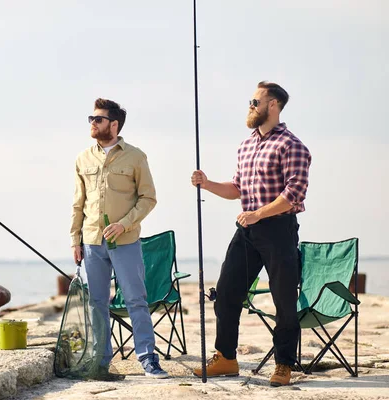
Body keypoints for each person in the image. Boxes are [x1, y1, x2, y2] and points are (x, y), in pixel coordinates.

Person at [191, 81, 312, 387]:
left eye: (255, 101)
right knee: (226, 293)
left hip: (278, 231)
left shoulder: (292, 145)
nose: (250, 105)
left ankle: (284, 364)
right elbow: (237, 189)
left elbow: (294, 194)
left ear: (273, 105)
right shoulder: (246, 145)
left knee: (284, 300)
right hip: (247, 231)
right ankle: (227, 358)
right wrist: (207, 184)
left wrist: (258, 213)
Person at [70, 98, 168, 379]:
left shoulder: (136, 157)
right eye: (91, 118)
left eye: (98, 119)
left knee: (136, 300)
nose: (92, 123)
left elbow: (149, 198)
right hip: (91, 243)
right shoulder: (82, 159)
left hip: (125, 242)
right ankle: (100, 361)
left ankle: (148, 358)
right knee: (96, 302)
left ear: (113, 125)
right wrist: (75, 240)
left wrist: (124, 225)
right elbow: (78, 204)